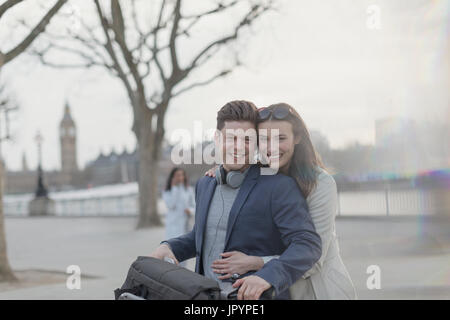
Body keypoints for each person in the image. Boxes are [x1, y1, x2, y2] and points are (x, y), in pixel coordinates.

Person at [150, 100, 322, 300]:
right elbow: (201, 235)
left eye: (247, 140)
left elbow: (307, 244)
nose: (238, 146)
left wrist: (267, 276)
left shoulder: (279, 186)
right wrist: (169, 247)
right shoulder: (205, 185)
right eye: (231, 138)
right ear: (217, 138)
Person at [206, 103, 357, 299]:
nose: (271, 148)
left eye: (281, 138)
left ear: (298, 138)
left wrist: (256, 263)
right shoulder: (260, 176)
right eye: (264, 139)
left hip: (318, 290)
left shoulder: (321, 184)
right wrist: (221, 172)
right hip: (276, 288)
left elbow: (314, 257)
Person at [162, 167, 195, 267]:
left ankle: (182, 273)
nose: (180, 177)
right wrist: (175, 188)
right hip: (172, 225)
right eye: (177, 175)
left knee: (183, 251)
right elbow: (171, 205)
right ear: (172, 177)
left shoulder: (188, 189)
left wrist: (190, 210)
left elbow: (194, 205)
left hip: (185, 224)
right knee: (171, 251)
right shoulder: (167, 190)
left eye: (181, 175)